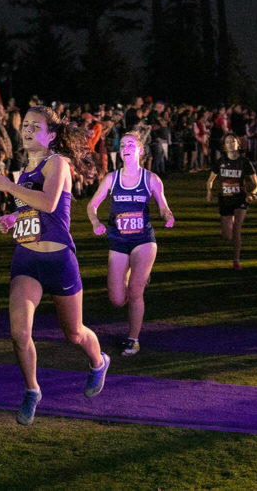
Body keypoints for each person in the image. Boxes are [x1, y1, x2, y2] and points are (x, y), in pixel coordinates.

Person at [0, 105, 109, 426]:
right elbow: (33, 212)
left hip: (59, 260)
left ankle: (98, 362)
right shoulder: (23, 173)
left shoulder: (58, 163)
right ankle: (32, 390)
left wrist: (6, 186)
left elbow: (48, 203)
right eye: (25, 125)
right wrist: (12, 218)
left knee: (73, 333)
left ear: (51, 135)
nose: (27, 129)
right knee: (19, 334)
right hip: (27, 259)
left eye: (35, 126)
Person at [87, 131, 174, 356]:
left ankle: (133, 339)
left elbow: (162, 205)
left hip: (143, 240)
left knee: (135, 291)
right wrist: (95, 221)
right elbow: (92, 205)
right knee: (117, 299)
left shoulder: (151, 179)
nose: (126, 147)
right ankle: (135, 275)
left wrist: (167, 215)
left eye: (131, 144)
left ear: (140, 150)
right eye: (123, 144)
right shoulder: (111, 179)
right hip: (118, 240)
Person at [206, 132, 257, 270]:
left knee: (237, 230)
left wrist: (252, 194)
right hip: (224, 200)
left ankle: (236, 260)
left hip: (240, 199)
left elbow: (256, 184)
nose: (231, 144)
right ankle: (229, 227)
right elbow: (210, 180)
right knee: (227, 235)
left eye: (233, 141)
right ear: (224, 146)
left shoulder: (245, 162)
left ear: (238, 144)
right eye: (228, 142)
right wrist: (209, 193)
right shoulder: (221, 162)